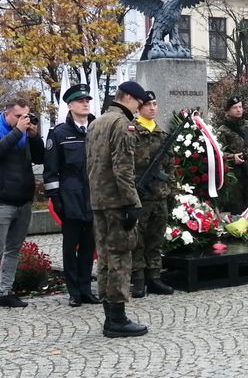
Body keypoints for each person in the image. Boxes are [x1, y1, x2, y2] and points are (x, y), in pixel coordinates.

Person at [86, 81, 151, 338]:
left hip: (99, 200)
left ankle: (110, 315)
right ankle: (117, 318)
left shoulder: (96, 122)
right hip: (117, 202)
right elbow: (123, 168)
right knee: (120, 257)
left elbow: (90, 165)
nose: (139, 107)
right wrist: (131, 203)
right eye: (138, 102)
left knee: (104, 257)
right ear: (128, 98)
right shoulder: (122, 124)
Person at [43, 84, 101, 307]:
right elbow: (50, 172)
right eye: (80, 101)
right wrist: (57, 200)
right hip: (70, 200)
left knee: (88, 249)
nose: (85, 103)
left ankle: (86, 289)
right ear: (70, 106)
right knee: (70, 248)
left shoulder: (96, 128)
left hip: (93, 199)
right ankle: (74, 292)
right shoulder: (59, 134)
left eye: (87, 100)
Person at [0, 98, 44, 307]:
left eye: (25, 116)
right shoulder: (9, 132)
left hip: (23, 200)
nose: (23, 120)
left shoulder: (25, 134)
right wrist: (18, 131)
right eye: (18, 116)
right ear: (6, 114)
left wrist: (34, 137)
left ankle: (5, 291)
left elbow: (41, 157)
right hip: (2, 201)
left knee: (13, 249)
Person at [130, 91, 174, 298]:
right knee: (138, 240)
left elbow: (170, 166)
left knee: (156, 238)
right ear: (139, 108)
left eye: (155, 104)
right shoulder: (131, 132)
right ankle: (138, 278)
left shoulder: (162, 135)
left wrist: (170, 189)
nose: (153, 108)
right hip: (139, 196)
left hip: (159, 196)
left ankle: (154, 277)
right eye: (148, 104)